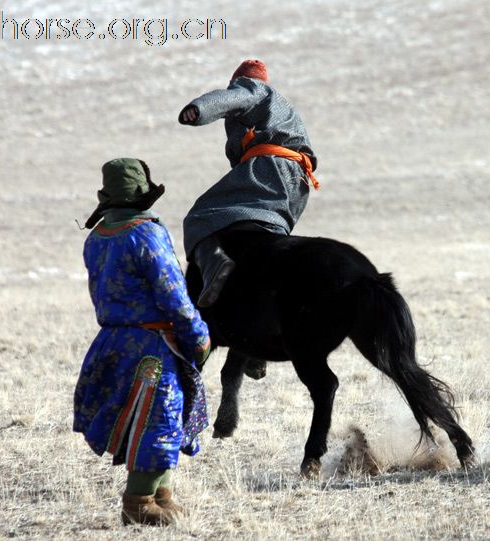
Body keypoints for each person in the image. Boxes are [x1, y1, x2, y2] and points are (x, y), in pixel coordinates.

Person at [73, 158, 211, 527]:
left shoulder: (97, 237)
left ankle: (162, 494)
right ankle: (139, 501)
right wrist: (198, 336)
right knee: (159, 418)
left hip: (112, 342)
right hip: (151, 346)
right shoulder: (146, 234)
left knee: (147, 419)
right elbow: (173, 293)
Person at [179, 59, 320, 307]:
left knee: (201, 214)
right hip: (297, 183)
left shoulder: (253, 89)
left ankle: (214, 263)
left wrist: (199, 109)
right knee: (266, 227)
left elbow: (230, 99)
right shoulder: (284, 110)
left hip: (269, 169)